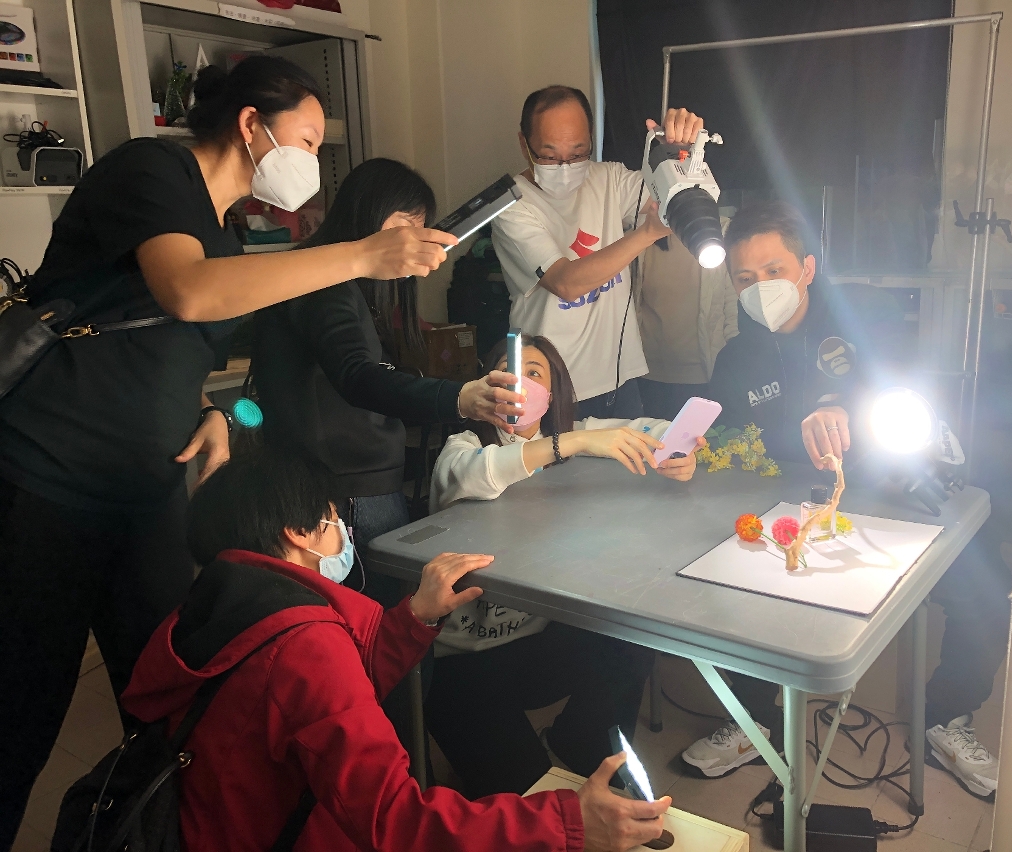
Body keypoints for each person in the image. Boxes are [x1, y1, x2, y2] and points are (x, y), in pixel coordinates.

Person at [0, 56, 459, 848]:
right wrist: (360, 255)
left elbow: (162, 350)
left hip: (147, 489)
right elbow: (187, 293)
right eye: (306, 141)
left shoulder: (221, 232)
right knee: (20, 713)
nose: (311, 161)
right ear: (251, 124)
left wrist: (210, 410)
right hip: (51, 479)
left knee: (174, 699)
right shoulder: (151, 171)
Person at [119, 448, 672, 852]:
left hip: (205, 825)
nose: (341, 531)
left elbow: (314, 708)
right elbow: (395, 822)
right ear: (298, 533)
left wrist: (412, 621)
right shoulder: (304, 646)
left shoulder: (212, 606)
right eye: (332, 518)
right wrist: (566, 823)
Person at [680, 201, 1008, 800]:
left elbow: (911, 387)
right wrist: (694, 448)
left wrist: (844, 404)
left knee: (985, 589)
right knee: (726, 581)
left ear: (807, 268)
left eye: (774, 271)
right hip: (790, 510)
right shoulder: (736, 359)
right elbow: (723, 439)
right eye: (745, 279)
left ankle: (946, 718)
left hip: (892, 490)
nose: (761, 289)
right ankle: (752, 718)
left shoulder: (868, 322)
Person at [252, 157, 524, 757]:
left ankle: (394, 766)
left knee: (386, 644)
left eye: (422, 229)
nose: (414, 243)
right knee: (381, 651)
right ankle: (388, 771)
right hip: (344, 497)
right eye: (405, 226)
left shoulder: (338, 285)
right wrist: (459, 398)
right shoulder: (326, 283)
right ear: (367, 214)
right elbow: (359, 376)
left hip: (350, 487)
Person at [426, 334, 702, 797]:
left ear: (551, 396)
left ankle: (583, 741)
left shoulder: (574, 435)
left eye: (533, 373)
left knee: (633, 639)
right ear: (487, 385)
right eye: (508, 369)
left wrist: (679, 451)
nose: (518, 381)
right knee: (532, 801)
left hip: (540, 642)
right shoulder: (465, 445)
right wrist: (575, 441)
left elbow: (654, 428)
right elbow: (480, 472)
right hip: (463, 663)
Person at [491, 85, 705, 419]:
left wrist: (680, 153)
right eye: (550, 156)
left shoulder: (607, 179)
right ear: (524, 144)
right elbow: (566, 283)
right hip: (550, 387)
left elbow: (675, 195)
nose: (565, 166)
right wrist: (647, 233)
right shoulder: (510, 205)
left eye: (578, 153)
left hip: (620, 379)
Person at [635, 235, 738, 420]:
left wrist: (735, 367)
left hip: (706, 374)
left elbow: (732, 310)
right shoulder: (642, 237)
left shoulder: (720, 235)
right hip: (650, 376)